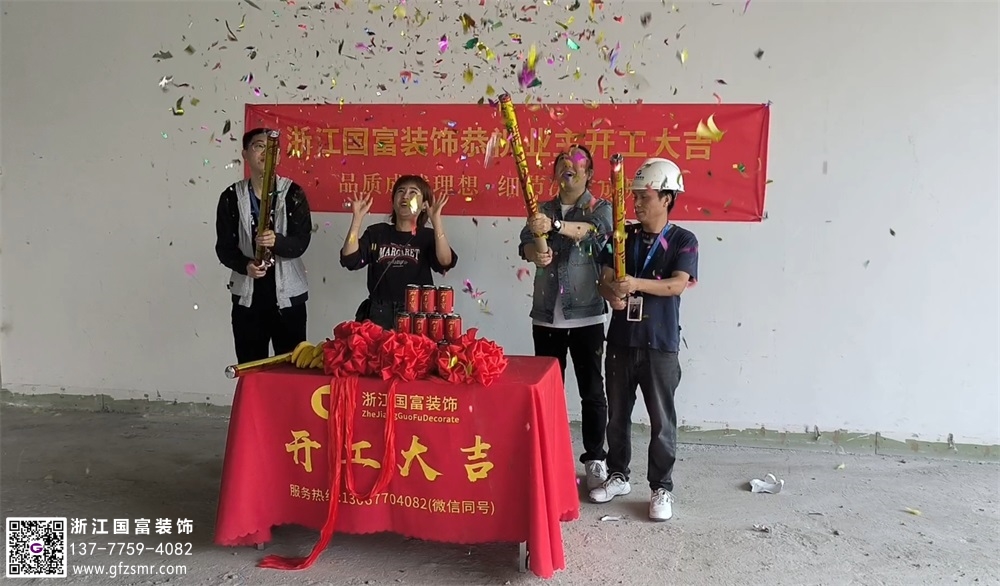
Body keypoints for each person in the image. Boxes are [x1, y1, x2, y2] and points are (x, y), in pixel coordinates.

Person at [589, 157, 699, 522]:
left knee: (661, 421)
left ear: (667, 198)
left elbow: (677, 284)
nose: (636, 203)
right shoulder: (620, 237)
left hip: (660, 344)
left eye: (645, 197)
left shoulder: (683, 240)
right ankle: (618, 475)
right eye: (634, 196)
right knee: (617, 416)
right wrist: (612, 294)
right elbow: (604, 279)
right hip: (621, 341)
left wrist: (635, 284)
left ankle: (661, 488)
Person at [518, 145, 613, 491]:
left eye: (576, 162)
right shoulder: (540, 209)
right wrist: (536, 253)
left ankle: (595, 458)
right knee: (548, 393)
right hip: (546, 317)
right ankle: (550, 459)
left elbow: (594, 232)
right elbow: (526, 245)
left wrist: (556, 225)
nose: (567, 166)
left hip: (586, 316)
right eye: (561, 162)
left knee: (592, 391)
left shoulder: (600, 208)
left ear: (588, 173)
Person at [215, 128, 313, 363]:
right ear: (245, 154)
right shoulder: (231, 197)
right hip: (248, 300)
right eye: (259, 146)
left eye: (272, 149)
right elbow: (224, 248)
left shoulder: (293, 193)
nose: (266, 153)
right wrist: (245, 265)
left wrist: (277, 241)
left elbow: (301, 242)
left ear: (278, 157)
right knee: (250, 367)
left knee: (290, 368)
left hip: (288, 300)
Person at [340, 175, 458, 329]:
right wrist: (356, 220)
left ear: (424, 205)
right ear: (393, 200)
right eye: (400, 191)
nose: (405, 196)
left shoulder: (427, 236)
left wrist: (436, 221)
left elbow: (445, 262)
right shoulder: (377, 233)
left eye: (413, 192)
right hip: (379, 313)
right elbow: (349, 258)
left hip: (416, 315)